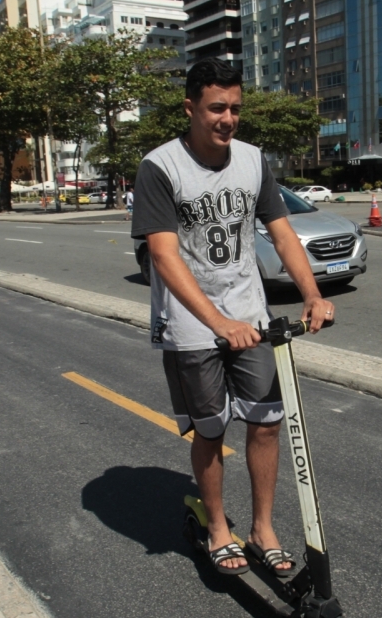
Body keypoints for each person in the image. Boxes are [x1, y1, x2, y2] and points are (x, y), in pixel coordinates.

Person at [133, 58, 334, 577]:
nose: (228, 118)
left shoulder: (251, 160)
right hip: (192, 324)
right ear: (190, 107)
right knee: (211, 428)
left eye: (235, 108)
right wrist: (218, 323)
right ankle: (219, 528)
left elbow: (281, 232)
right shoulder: (161, 166)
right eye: (216, 107)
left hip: (251, 314)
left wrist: (311, 293)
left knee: (267, 423)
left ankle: (262, 527)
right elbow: (163, 254)